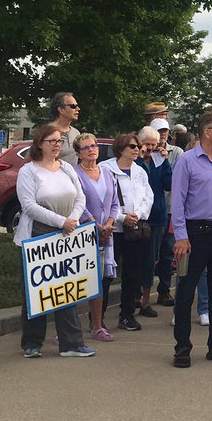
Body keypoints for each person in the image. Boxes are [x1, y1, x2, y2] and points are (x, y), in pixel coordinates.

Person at [15, 124, 96, 361]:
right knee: (36, 289)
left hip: (67, 233)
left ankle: (71, 343)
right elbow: (29, 205)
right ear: (40, 143)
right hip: (38, 234)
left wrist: (72, 220)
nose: (57, 145)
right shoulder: (28, 172)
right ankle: (32, 342)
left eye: (60, 141)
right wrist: (61, 221)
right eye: (53, 141)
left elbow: (80, 196)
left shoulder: (67, 169)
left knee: (66, 289)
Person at [170, 112, 212, 368]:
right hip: (195, 234)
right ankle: (182, 349)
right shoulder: (187, 162)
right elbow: (178, 202)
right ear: (207, 132)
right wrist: (181, 236)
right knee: (186, 292)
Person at [103, 132, 153, 332]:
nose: (136, 150)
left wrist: (138, 215)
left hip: (136, 229)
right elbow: (105, 199)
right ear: (121, 148)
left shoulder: (140, 171)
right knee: (107, 274)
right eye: (132, 146)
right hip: (114, 229)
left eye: (137, 146)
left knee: (132, 274)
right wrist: (123, 217)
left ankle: (127, 315)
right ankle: (98, 317)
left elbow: (148, 196)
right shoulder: (107, 169)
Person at [75, 133, 119, 343]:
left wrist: (110, 223)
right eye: (86, 147)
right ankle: (69, 328)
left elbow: (114, 202)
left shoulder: (107, 173)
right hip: (82, 234)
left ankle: (97, 326)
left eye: (93, 146)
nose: (91, 150)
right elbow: (77, 202)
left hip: (105, 235)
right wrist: (94, 223)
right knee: (79, 280)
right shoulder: (74, 174)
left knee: (100, 280)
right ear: (78, 153)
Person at [136, 126, 173, 316]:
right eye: (147, 144)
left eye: (154, 144)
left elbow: (169, 184)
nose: (150, 148)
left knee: (152, 259)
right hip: (137, 217)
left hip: (157, 216)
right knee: (136, 259)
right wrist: (139, 158)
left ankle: (145, 300)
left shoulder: (160, 160)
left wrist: (165, 161)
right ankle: (134, 296)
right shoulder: (134, 160)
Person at [49, 92, 82, 164]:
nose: (78, 109)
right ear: (61, 109)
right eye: (73, 106)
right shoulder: (47, 132)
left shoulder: (76, 133)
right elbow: (31, 159)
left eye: (77, 106)